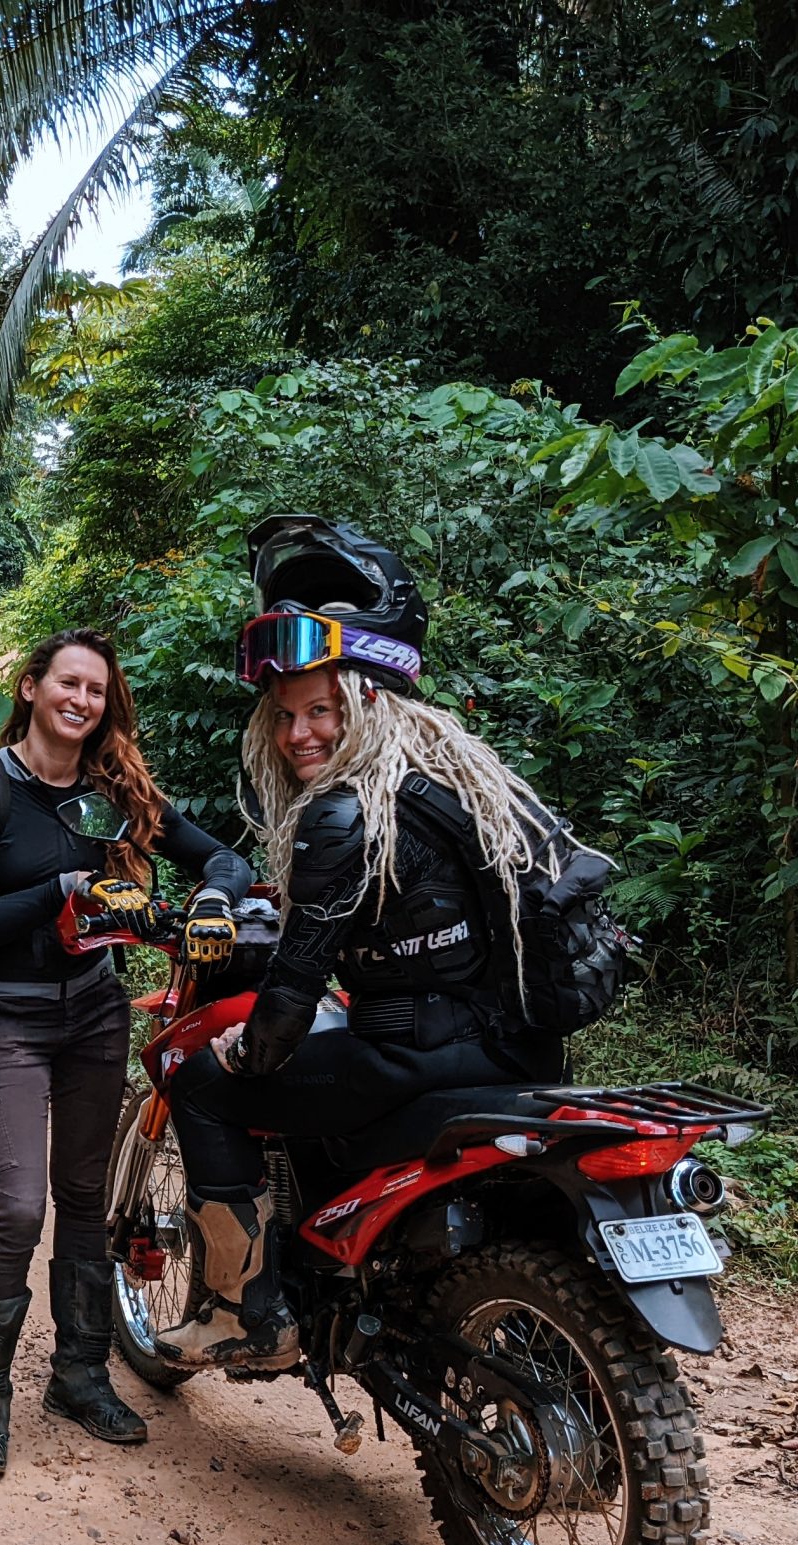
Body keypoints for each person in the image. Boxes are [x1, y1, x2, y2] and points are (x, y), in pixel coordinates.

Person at [155, 517, 574, 1371]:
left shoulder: (347, 811)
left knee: (204, 1087)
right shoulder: (463, 781)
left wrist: (249, 1047)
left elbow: (298, 983)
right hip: (523, 1053)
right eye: (285, 715)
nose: (297, 734)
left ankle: (247, 1313)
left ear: (370, 701)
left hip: (415, 1057)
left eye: (322, 710)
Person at [0, 628, 254, 1473]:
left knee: (85, 1197)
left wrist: (215, 900)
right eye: (68, 684)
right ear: (33, 688)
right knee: (19, 1208)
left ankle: (78, 1374)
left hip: (92, 1013)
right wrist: (65, 891)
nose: (82, 702)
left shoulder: (117, 793)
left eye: (96, 692)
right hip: (4, 1015)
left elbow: (223, 855)